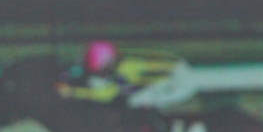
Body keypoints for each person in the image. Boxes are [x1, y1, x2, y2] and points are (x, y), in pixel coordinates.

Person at [58, 40, 197, 109]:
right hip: (175, 74)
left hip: (175, 82)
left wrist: (73, 92)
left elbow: (107, 94)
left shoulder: (125, 67)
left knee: (134, 101)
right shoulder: (121, 62)